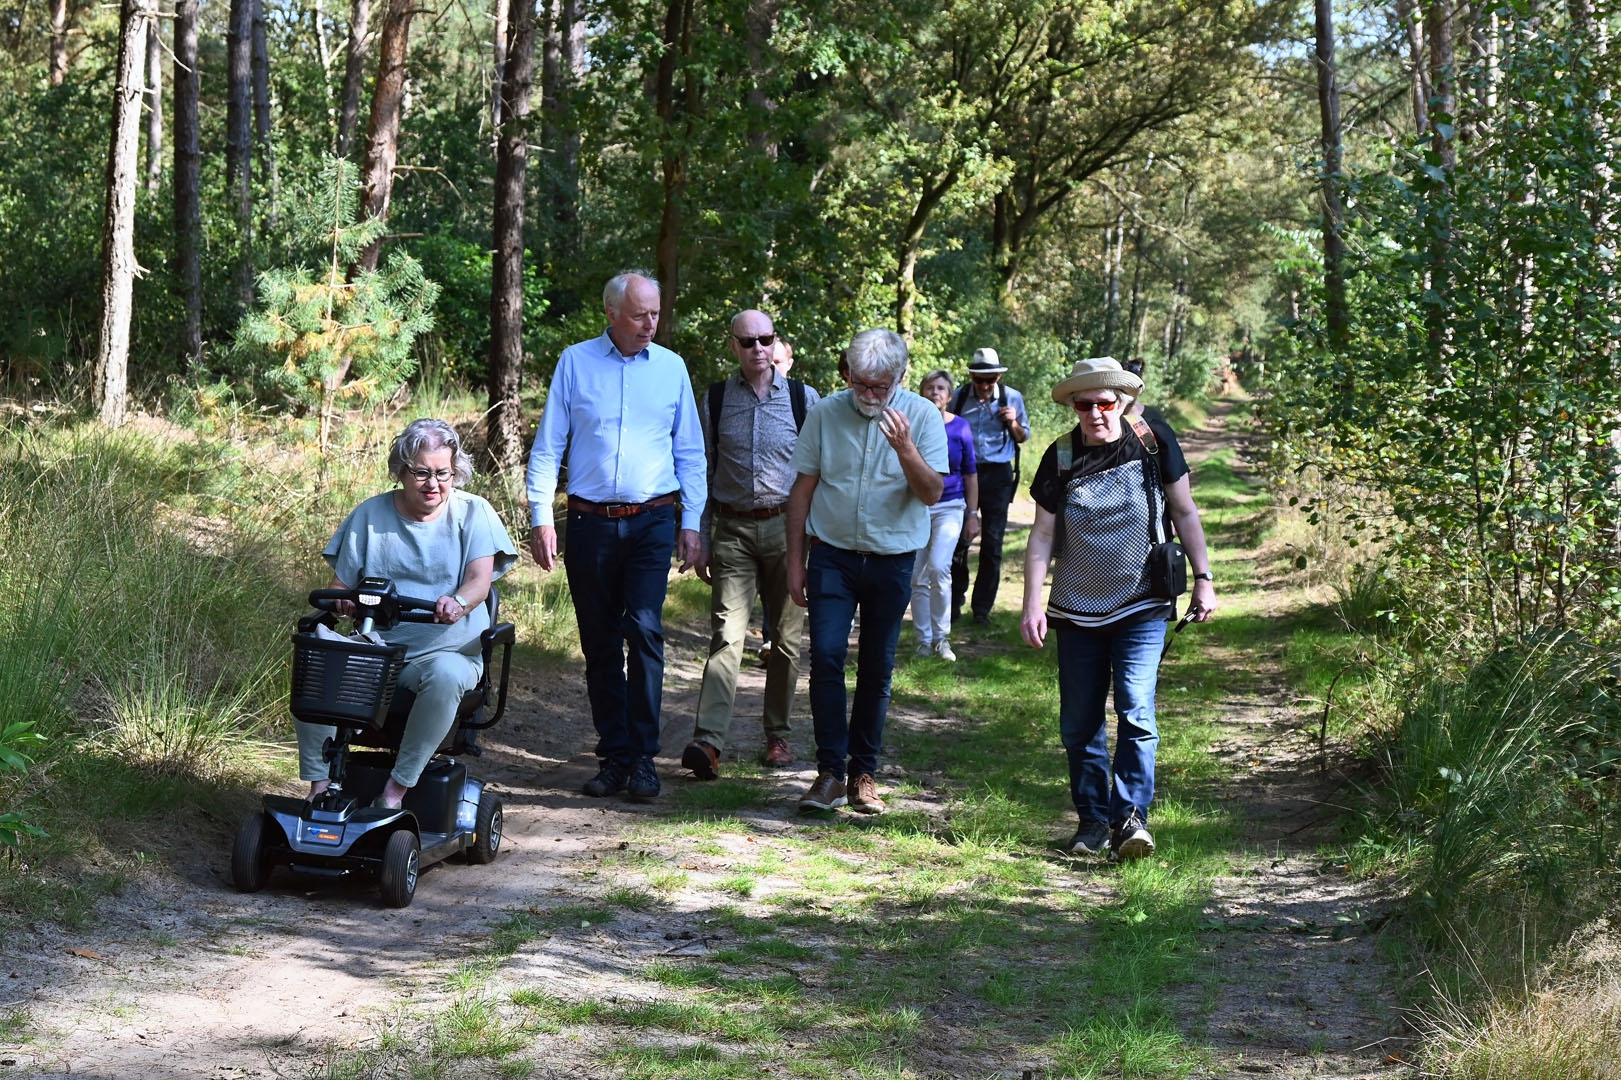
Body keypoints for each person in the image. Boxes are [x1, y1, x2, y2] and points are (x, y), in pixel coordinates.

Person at [1019, 357, 1217, 860]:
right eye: (1084, 404)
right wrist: (1031, 604)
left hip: (1144, 603)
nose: (1095, 413)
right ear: (1073, 407)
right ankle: (1090, 824)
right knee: (1079, 722)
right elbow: (1042, 536)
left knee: (1135, 710)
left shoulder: (1153, 441)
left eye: (1105, 402)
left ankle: (1130, 819)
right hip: (1074, 609)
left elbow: (1185, 511)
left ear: (1121, 402)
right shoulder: (1059, 456)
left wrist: (1204, 579)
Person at [525, 271, 708, 802]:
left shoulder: (672, 369)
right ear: (611, 314)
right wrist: (541, 516)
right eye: (639, 314)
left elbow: (690, 452)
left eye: (655, 313)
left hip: (653, 519)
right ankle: (614, 755)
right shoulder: (575, 363)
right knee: (601, 642)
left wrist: (691, 522)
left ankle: (644, 760)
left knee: (646, 632)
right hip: (589, 523)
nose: (651, 323)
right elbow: (547, 447)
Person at [301, 419, 519, 808]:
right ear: (401, 470)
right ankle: (319, 788)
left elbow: (478, 581)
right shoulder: (370, 515)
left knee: (446, 675)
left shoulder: (474, 513)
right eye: (421, 472)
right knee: (316, 661)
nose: (433, 484)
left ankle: (395, 791)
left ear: (455, 472)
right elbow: (339, 586)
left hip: (446, 651)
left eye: (443, 473)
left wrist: (458, 602)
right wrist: (343, 601)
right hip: (377, 647)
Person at [787, 329, 947, 814]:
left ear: (901, 377)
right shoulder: (825, 413)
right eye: (862, 384)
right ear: (849, 374)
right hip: (832, 556)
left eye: (881, 386)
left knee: (877, 666)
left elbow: (933, 493)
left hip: (893, 559)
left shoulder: (921, 416)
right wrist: (795, 562)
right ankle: (829, 773)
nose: (870, 395)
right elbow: (801, 492)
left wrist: (906, 451)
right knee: (828, 658)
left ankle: (864, 774)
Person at [682, 310, 821, 780]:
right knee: (726, 636)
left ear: (775, 343)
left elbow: (819, 473)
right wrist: (698, 534)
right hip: (733, 530)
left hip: (789, 530)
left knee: (784, 640)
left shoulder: (804, 399)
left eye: (765, 340)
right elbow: (701, 468)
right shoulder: (716, 400)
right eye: (748, 342)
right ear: (734, 346)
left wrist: (815, 537)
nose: (758, 349)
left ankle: (777, 737)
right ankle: (709, 742)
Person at [951, 347, 1029, 626]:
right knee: (958, 540)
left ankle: (982, 609)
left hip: (998, 474)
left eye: (990, 380)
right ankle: (953, 601)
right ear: (972, 376)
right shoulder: (958, 397)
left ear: (997, 376)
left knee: (992, 543)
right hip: (963, 474)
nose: (984, 386)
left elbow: (1022, 437)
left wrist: (1013, 422)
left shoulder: (1012, 398)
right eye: (979, 380)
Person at [910, 369, 978, 661]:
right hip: (916, 506)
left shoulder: (961, 427)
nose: (935, 392)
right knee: (917, 576)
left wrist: (973, 514)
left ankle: (942, 639)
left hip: (950, 506)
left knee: (939, 567)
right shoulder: (913, 426)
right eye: (930, 387)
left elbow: (971, 473)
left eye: (941, 388)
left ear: (949, 396)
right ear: (921, 392)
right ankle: (923, 642)